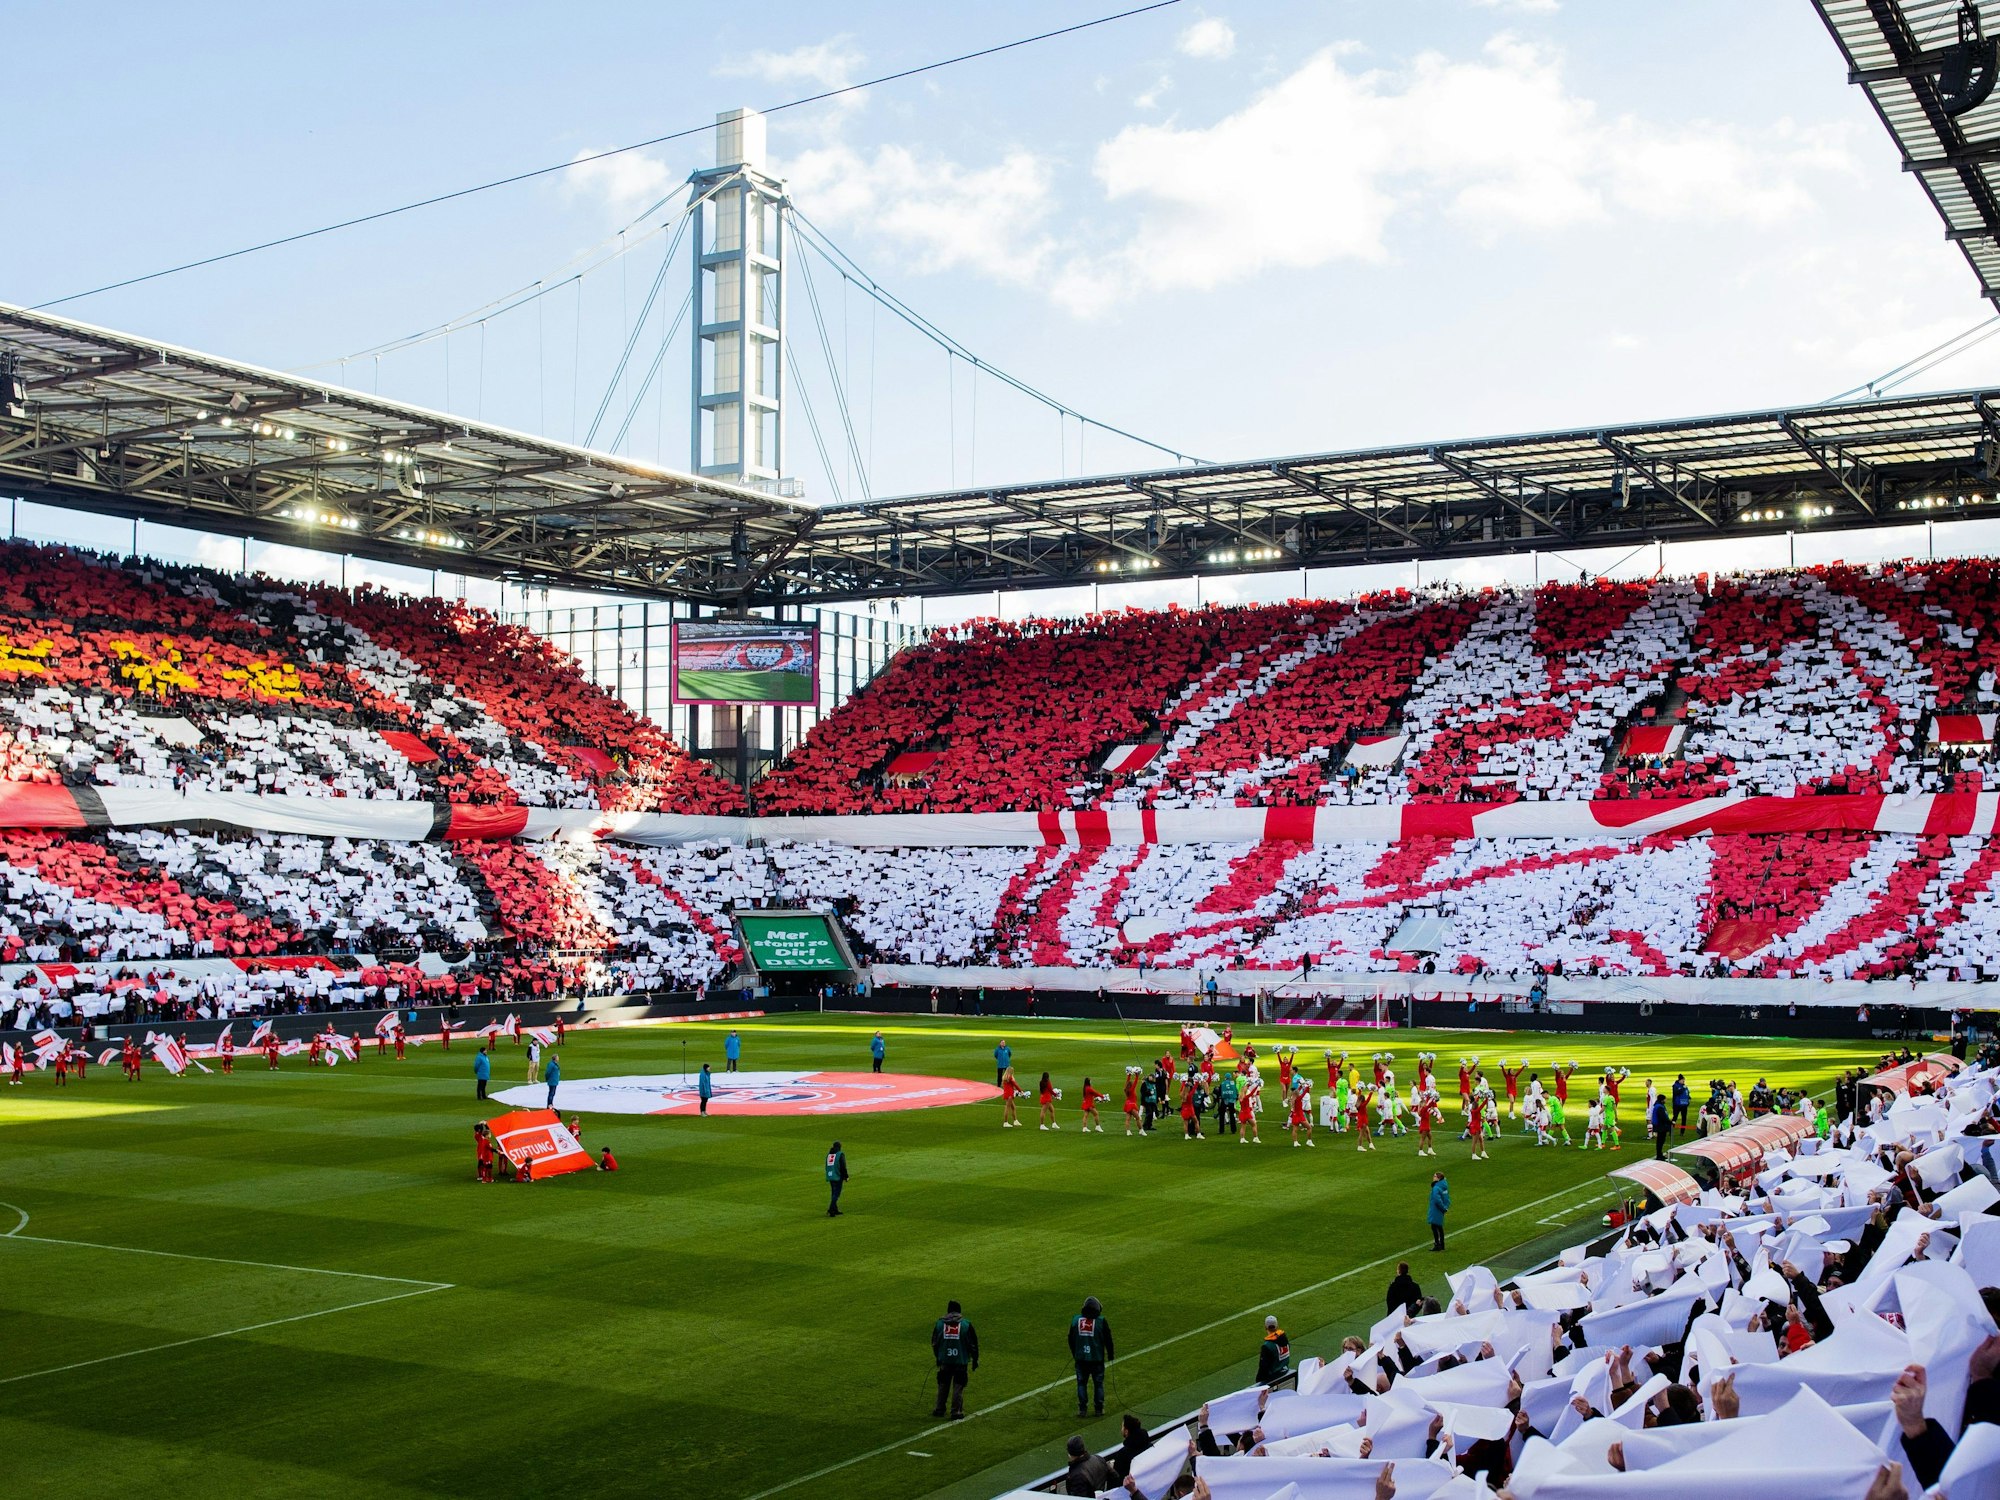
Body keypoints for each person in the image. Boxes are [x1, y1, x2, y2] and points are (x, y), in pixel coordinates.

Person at [930, 1299, 979, 1419]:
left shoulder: (940, 1324)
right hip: (960, 1361)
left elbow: (934, 1343)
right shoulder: (966, 1325)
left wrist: (938, 1357)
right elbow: (973, 1345)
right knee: (958, 1386)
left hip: (945, 1360)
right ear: (959, 1311)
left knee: (943, 1384)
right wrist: (975, 1360)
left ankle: (939, 1409)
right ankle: (956, 1412)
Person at [1068, 1296, 1114, 1418]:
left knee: (1081, 1384)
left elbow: (1070, 1338)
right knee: (1098, 1384)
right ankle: (1099, 1409)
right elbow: (1108, 1340)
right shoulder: (1101, 1321)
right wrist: (1110, 1355)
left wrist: (1075, 1353)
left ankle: (1082, 1409)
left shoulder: (1076, 1320)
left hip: (1081, 1359)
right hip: (1096, 1360)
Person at [1256, 1315, 1290, 1382]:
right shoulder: (1284, 1339)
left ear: (1265, 1327)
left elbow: (1263, 1367)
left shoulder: (1267, 1346)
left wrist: (1258, 1381)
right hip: (1286, 1373)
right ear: (1277, 1326)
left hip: (1273, 1379)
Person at [1427, 1171, 1450, 1253]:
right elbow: (1447, 1199)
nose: (1433, 1177)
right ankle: (1442, 1245)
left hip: (1436, 1209)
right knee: (1439, 1226)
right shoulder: (1444, 1186)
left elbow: (1437, 1200)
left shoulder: (1436, 1188)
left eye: (1434, 1176)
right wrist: (1445, 1207)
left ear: (1438, 1178)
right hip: (1441, 1209)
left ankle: (1437, 1245)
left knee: (1434, 1227)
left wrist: (1443, 1208)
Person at [824, 1140, 849, 1216]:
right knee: (836, 1194)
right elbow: (843, 1166)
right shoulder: (840, 1154)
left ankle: (835, 1209)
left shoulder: (829, 1155)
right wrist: (846, 1176)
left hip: (830, 1175)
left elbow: (826, 1166)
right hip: (837, 1176)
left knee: (833, 1193)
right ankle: (831, 1209)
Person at [1650, 1090, 1673, 1160]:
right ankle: (1659, 1155)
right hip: (1661, 1127)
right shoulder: (1659, 1107)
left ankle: (1660, 1154)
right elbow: (1663, 1117)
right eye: (1665, 1099)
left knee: (1660, 1141)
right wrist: (1670, 1122)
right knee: (1660, 1141)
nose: (1665, 1101)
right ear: (1662, 1100)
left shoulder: (1658, 1106)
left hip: (1659, 1126)